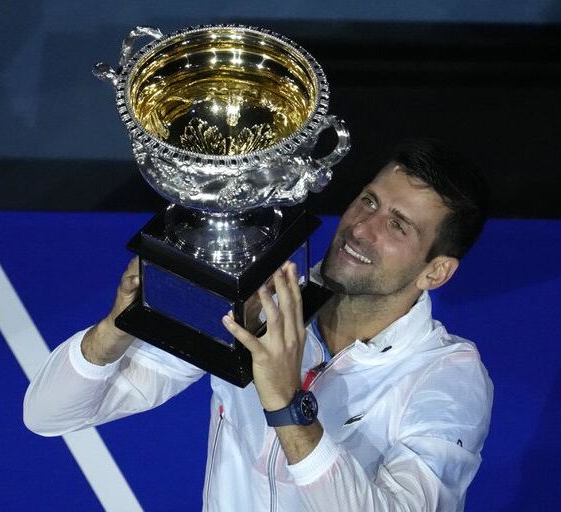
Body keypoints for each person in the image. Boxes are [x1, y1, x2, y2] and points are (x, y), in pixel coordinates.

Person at [24, 138, 493, 511]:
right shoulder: (266, 295)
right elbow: (47, 415)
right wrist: (119, 325)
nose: (361, 229)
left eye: (398, 226)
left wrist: (286, 403)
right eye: (368, 201)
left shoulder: (448, 376)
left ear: (436, 272)